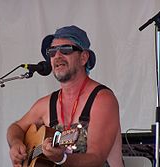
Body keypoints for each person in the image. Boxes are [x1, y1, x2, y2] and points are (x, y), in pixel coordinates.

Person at [7, 25, 123, 167]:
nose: (57, 56)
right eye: (52, 52)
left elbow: (96, 158)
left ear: (83, 57)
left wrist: (62, 159)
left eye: (65, 50)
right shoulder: (46, 104)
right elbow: (16, 127)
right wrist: (16, 143)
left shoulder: (102, 99)